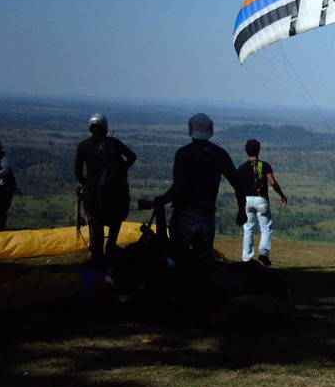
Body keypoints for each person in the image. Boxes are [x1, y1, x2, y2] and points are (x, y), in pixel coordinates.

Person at [152, 113, 242, 270]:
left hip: (183, 215)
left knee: (178, 261)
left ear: (190, 129)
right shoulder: (219, 154)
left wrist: (161, 200)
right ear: (210, 129)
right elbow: (237, 183)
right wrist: (242, 210)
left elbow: (178, 188)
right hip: (206, 216)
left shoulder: (184, 154)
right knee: (203, 264)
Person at [74, 114, 137, 270]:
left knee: (96, 224)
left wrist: (85, 184)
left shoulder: (84, 145)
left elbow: (77, 171)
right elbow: (132, 156)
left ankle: (97, 258)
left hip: (94, 193)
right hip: (117, 192)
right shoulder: (114, 143)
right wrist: (121, 170)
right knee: (115, 221)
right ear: (105, 127)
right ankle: (111, 249)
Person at [237, 139, 288, 266]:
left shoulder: (242, 168)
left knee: (248, 228)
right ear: (259, 150)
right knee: (266, 227)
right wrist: (282, 195)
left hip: (247, 200)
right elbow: (273, 183)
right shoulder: (264, 166)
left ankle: (247, 257)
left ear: (246, 151)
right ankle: (264, 252)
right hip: (261, 200)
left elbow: (238, 186)